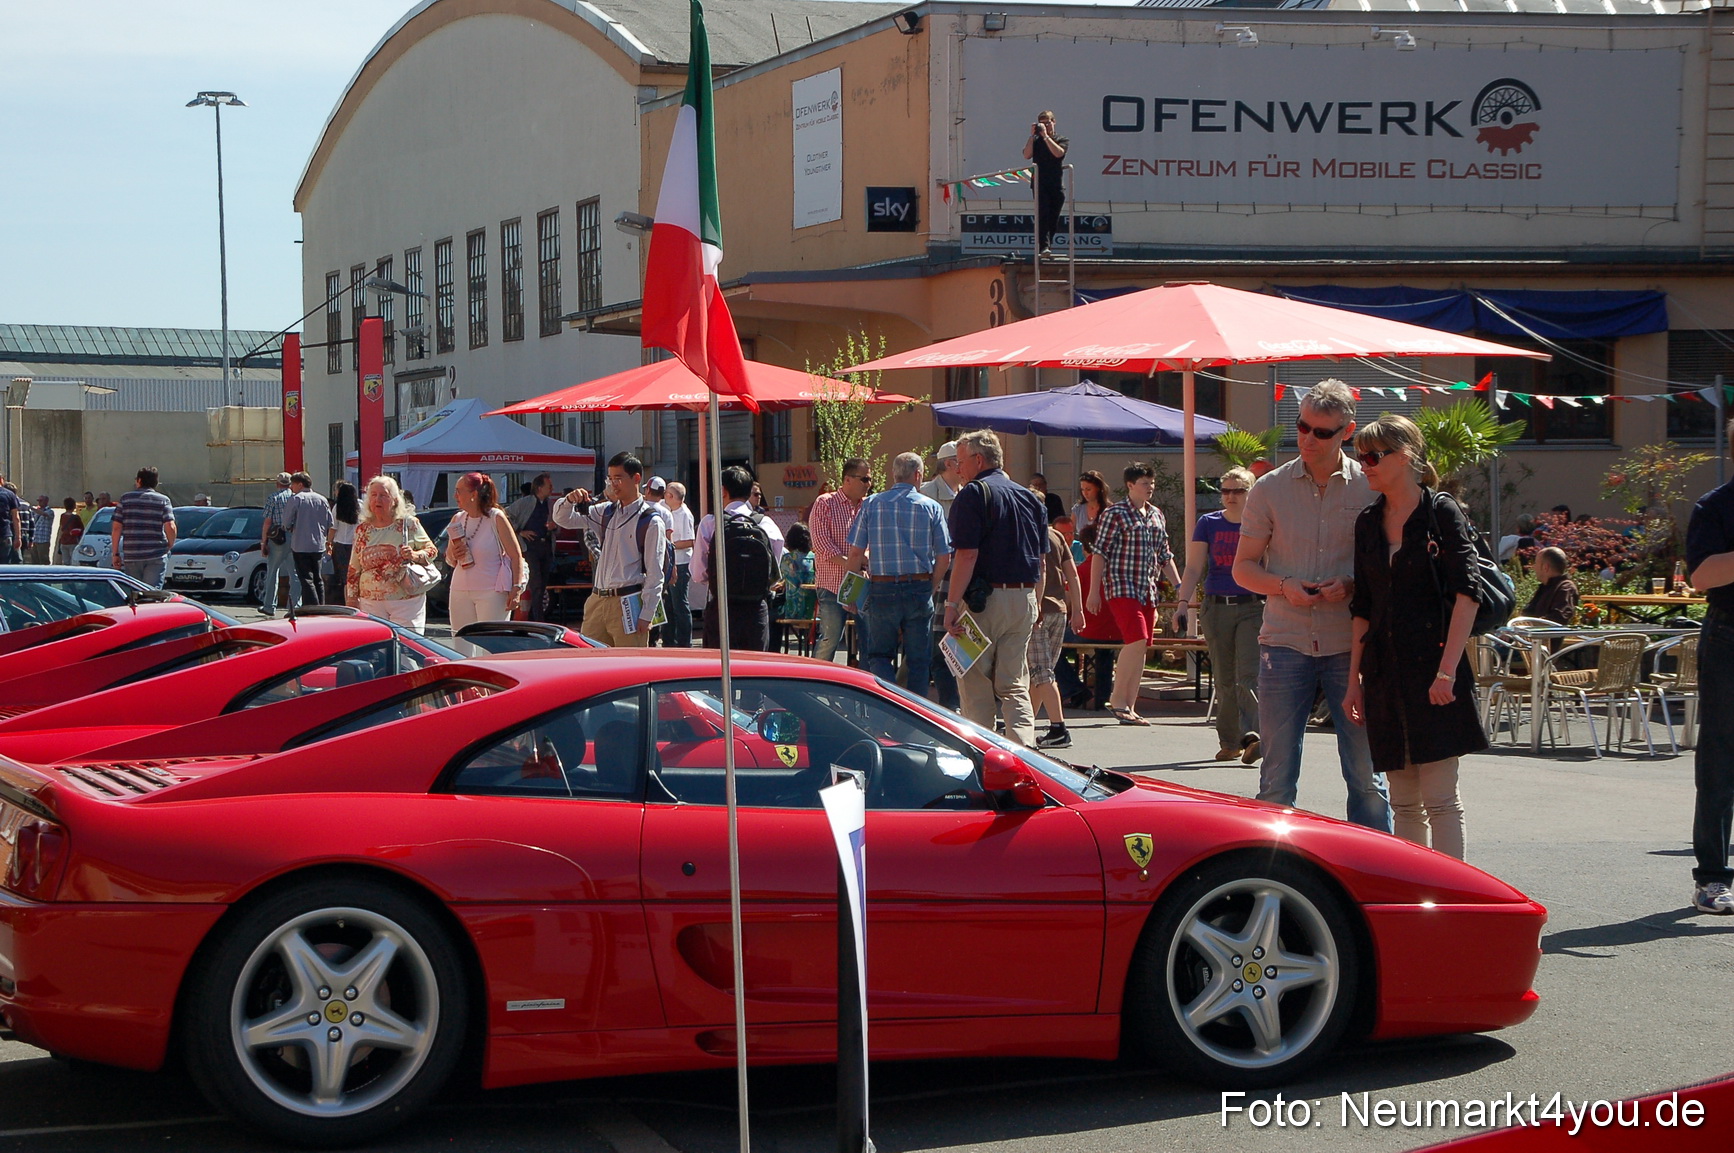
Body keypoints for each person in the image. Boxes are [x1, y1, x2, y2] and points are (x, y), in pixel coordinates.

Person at [1232, 380, 1392, 832]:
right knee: (1276, 781)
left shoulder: (1371, 486)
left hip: (1351, 645)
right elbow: (1243, 569)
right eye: (1302, 427)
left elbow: (1392, 564)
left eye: (1322, 432)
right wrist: (1284, 585)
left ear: (1348, 432)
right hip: (1284, 641)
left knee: (1365, 777)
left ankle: (1377, 882)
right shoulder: (1269, 487)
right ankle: (1275, 879)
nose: (1308, 439)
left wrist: (1353, 584)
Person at [1343, 415, 1485, 860]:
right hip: (1383, 670)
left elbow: (1469, 594)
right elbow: (1362, 607)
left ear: (1403, 457)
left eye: (1371, 456)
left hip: (1434, 669)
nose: (1362, 465)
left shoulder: (1440, 512)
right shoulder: (1367, 522)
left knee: (1440, 800)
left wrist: (1446, 672)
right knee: (1403, 801)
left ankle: (1454, 901)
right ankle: (1414, 902)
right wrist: (1353, 682)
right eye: (1359, 456)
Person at [945, 429, 1047, 745]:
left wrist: (950, 605)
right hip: (1025, 599)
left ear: (979, 460)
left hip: (983, 602)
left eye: (960, 462)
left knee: (975, 683)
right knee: (1014, 684)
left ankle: (984, 757)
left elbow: (966, 554)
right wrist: (1037, 603)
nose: (957, 469)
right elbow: (1040, 561)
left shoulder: (973, 494)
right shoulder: (1031, 498)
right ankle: (1026, 758)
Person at [844, 452, 951, 696]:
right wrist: (931, 586)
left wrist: (850, 592)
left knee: (879, 655)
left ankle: (887, 705)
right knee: (918, 661)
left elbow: (855, 555)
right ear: (918, 475)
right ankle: (915, 715)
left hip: (882, 588)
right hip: (919, 586)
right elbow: (945, 557)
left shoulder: (872, 504)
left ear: (893, 474)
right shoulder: (931, 507)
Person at [1175, 468, 1263, 762]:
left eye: (1237, 490)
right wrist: (1182, 603)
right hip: (1217, 606)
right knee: (1224, 678)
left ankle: (1254, 736)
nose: (1230, 496)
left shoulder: (1261, 522)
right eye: (1224, 490)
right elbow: (1193, 567)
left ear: (1251, 491)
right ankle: (1230, 741)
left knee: (1248, 675)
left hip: (1253, 606)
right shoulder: (1208, 523)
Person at [1087, 462, 1181, 727]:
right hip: (1121, 586)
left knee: (1142, 647)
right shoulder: (1115, 514)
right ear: (1130, 485)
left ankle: (1130, 704)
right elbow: (1099, 553)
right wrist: (1094, 592)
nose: (1150, 487)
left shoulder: (1156, 515)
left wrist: (1179, 586)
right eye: (1144, 483)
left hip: (1147, 589)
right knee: (1136, 638)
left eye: (1152, 482)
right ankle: (1116, 700)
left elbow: (1165, 555)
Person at [1683, 433, 1734, 913]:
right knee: (1721, 758)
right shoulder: (1716, 506)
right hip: (1728, 638)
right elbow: (1700, 576)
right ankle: (1713, 878)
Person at [552, 451, 668, 647]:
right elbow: (562, 519)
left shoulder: (651, 521)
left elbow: (655, 573)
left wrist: (647, 614)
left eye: (619, 478)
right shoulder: (605, 511)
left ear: (636, 478)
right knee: (589, 664)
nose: (613, 484)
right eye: (611, 479)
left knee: (629, 669)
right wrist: (569, 500)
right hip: (597, 599)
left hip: (628, 601)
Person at [693, 466, 785, 651]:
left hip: (721, 608)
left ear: (723, 491)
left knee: (718, 670)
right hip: (756, 610)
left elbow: (698, 574)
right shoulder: (766, 524)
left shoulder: (711, 523)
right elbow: (774, 573)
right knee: (754, 670)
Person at [346, 475, 436, 630]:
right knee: (377, 648)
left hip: (405, 601)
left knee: (407, 645)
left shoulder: (408, 524)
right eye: (373, 495)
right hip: (370, 602)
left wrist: (414, 555)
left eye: (383, 495)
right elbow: (354, 568)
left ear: (395, 500)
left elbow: (432, 551)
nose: (377, 500)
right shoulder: (363, 529)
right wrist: (351, 599)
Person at [1028, 506, 1084, 748]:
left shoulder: (1027, 532)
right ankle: (1024, 724)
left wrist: (1036, 604)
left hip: (1038, 610)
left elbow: (1037, 572)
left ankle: (1058, 728)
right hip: (1059, 611)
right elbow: (1073, 574)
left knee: (1042, 673)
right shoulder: (1057, 535)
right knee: (1041, 673)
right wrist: (1078, 610)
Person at [445, 472, 527, 630]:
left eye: (459, 491)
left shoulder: (496, 517)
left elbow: (516, 556)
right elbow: (450, 559)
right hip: (459, 590)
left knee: (490, 644)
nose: (455, 495)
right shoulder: (457, 519)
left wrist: (516, 589)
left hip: (492, 592)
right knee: (461, 645)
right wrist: (454, 554)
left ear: (473, 494)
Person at [809, 459, 871, 662]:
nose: (869, 484)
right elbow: (822, 545)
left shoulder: (869, 507)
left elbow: (875, 543)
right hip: (832, 586)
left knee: (869, 642)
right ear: (848, 479)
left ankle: (865, 688)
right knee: (830, 639)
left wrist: (864, 562)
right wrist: (853, 564)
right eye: (865, 479)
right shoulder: (825, 503)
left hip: (862, 584)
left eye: (870, 479)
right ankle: (815, 684)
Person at [111, 466, 177, 588]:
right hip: (156, 553)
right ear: (156, 482)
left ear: (139, 480)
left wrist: (115, 554)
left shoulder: (125, 499)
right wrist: (170, 545)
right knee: (152, 593)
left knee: (135, 592)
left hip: (132, 554)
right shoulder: (163, 500)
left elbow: (116, 528)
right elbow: (170, 526)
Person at [281, 471, 334, 608]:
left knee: (305, 577)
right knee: (318, 577)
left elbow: (286, 523)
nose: (291, 487)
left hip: (300, 544)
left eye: (293, 484)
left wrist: (290, 527)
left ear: (300, 484)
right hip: (318, 544)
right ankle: (320, 605)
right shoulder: (322, 499)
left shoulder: (296, 499)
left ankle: (312, 606)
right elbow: (330, 522)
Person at [1021, 108, 1068, 256]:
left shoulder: (1060, 139)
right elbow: (1026, 155)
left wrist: (1046, 137)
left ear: (1054, 123)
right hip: (1039, 183)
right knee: (1043, 213)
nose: (1045, 127)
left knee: (1054, 216)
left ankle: (1048, 245)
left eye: (1047, 123)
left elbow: (1059, 153)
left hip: (1055, 183)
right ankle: (1043, 247)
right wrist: (1032, 135)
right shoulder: (1036, 141)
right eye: (1042, 124)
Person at [510, 473, 556, 621]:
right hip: (530, 547)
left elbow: (558, 526)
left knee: (542, 584)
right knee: (535, 583)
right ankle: (537, 618)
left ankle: (535, 615)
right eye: (549, 486)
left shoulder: (551, 504)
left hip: (546, 546)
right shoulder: (525, 502)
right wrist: (519, 531)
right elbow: (506, 515)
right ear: (539, 488)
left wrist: (554, 527)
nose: (552, 488)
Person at [258, 471, 300, 617]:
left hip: (277, 538)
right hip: (294, 537)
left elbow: (267, 522)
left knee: (272, 572)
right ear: (290, 484)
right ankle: (294, 606)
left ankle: (269, 605)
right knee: (294, 573)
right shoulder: (296, 498)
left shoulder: (273, 498)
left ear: (277, 483)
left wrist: (264, 542)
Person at [776, 522, 817, 650]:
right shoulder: (814, 558)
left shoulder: (788, 558)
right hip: (812, 611)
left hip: (792, 611)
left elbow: (783, 577)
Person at [1522, 547, 1579, 625]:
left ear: (1545, 567)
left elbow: (1558, 618)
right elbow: (1528, 613)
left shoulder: (1565, 588)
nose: (1534, 567)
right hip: (1528, 635)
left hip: (1543, 636)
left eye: (1536, 563)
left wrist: (1529, 626)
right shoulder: (1545, 587)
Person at [327, 482, 360, 604]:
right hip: (357, 544)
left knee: (345, 577)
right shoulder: (360, 505)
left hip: (341, 544)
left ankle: (348, 602)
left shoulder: (337, 507)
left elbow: (333, 528)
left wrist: (328, 542)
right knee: (357, 575)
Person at [920, 441, 962, 506]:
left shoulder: (967, 494)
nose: (967, 466)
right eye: (961, 461)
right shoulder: (926, 493)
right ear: (948, 464)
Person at [1071, 470, 1109, 534]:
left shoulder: (1109, 509)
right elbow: (1070, 530)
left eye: (1088, 489)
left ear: (1098, 488)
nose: (1085, 493)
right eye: (1082, 489)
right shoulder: (1078, 509)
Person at [55, 498, 83, 565]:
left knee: (65, 561)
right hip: (73, 541)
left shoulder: (62, 516)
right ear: (74, 506)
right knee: (73, 561)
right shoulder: (76, 517)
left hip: (64, 541)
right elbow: (82, 529)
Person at [0, 476, 21, 564]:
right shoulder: (9, 494)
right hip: (5, 534)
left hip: (5, 534)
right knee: (4, 564)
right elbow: (16, 518)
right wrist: (18, 537)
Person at [28, 496, 52, 565]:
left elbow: (44, 514)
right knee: (34, 560)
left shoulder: (50, 511)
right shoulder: (36, 511)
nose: (39, 502)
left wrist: (32, 508)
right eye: (38, 501)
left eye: (41, 501)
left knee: (44, 560)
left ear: (46, 501)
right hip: (35, 539)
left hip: (43, 540)